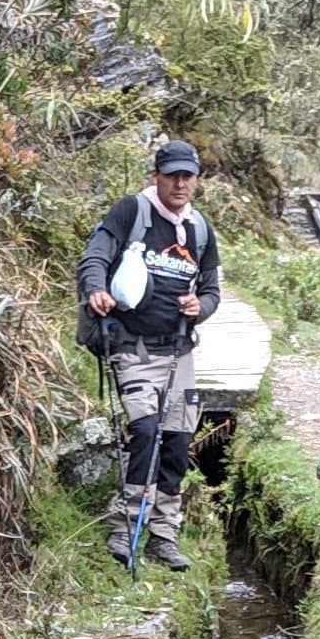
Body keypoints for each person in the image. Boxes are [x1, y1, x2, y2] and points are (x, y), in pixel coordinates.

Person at [76, 140, 221, 571]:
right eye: (172, 174)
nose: (180, 183)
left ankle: (163, 534)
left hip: (179, 350)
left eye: (188, 176)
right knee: (146, 430)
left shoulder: (199, 229)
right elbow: (95, 255)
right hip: (132, 348)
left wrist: (202, 308)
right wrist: (95, 289)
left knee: (176, 441)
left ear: (196, 179)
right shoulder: (132, 212)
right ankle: (125, 527)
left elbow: (212, 289)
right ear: (155, 175)